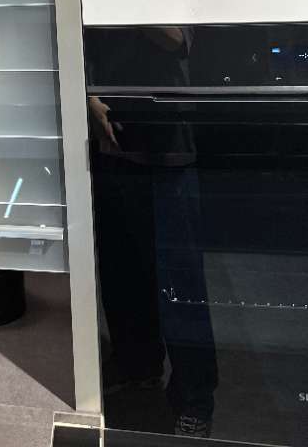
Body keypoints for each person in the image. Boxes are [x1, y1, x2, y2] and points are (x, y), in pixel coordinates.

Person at [86, 26, 218, 438]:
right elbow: (77, 39)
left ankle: (195, 396)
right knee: (121, 269)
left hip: (166, 140)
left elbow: (176, 39)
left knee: (180, 282)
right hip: (110, 136)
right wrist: (86, 98)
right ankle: (137, 366)